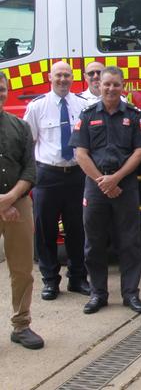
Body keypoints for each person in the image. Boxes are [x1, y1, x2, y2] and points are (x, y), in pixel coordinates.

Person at [69, 66, 141, 314]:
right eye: (107, 84)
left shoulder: (136, 116)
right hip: (95, 188)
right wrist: (102, 181)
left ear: (123, 86)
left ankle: (131, 294)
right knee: (94, 243)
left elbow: (140, 152)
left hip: (125, 185)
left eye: (116, 84)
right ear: (99, 85)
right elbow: (80, 154)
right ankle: (98, 294)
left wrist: (115, 178)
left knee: (129, 242)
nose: (111, 88)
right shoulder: (86, 115)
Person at [23, 60, 90, 301]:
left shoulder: (82, 105)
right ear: (50, 78)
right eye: (58, 75)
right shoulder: (37, 107)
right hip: (47, 176)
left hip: (76, 175)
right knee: (45, 231)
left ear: (73, 78)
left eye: (67, 76)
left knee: (77, 229)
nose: (63, 80)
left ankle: (78, 278)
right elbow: (28, 143)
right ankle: (50, 281)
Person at [0, 71, 44, 350]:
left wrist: (11, 198)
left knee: (22, 270)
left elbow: (30, 168)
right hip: (8, 204)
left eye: (2, 88)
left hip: (18, 204)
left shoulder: (20, 126)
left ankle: (21, 325)